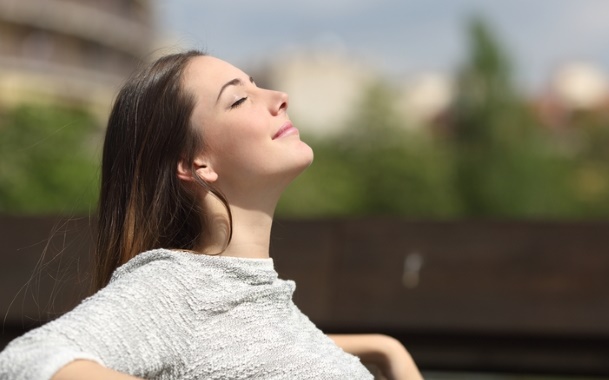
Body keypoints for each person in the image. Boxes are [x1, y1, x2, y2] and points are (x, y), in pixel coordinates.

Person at [0, 50, 422, 380]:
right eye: (239, 99)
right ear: (196, 164)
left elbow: (239, 344)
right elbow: (26, 362)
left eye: (257, 86)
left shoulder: (253, 299)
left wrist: (385, 348)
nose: (279, 98)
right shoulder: (178, 286)